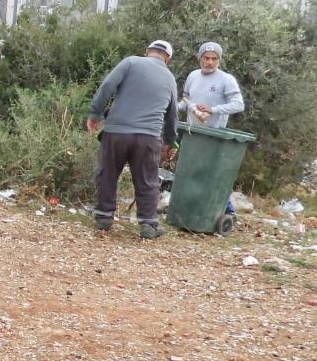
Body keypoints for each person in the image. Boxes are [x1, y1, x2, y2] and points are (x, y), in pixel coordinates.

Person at [87, 40, 179, 239]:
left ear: (147, 52)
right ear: (167, 59)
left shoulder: (130, 62)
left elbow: (107, 86)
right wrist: (170, 141)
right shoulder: (170, 78)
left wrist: (95, 113)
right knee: (147, 180)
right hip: (148, 137)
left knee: (108, 173)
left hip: (117, 132)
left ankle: (103, 218)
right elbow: (172, 115)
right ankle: (148, 225)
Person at [179, 40, 245, 217]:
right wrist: (172, 108)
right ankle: (189, 209)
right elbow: (186, 101)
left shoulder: (226, 80)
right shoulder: (193, 76)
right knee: (190, 172)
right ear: (199, 58)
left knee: (213, 174)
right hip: (192, 132)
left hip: (214, 136)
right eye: (206, 58)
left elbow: (238, 105)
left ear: (219, 60)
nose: (210, 62)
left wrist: (213, 110)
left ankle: (228, 212)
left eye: (214, 59)